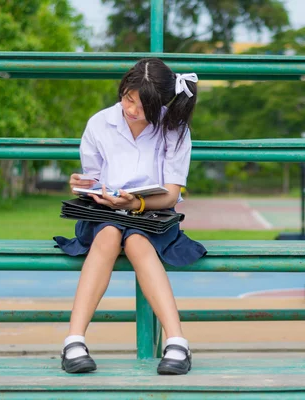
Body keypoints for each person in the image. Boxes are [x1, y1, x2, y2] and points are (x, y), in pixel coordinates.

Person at [53, 58, 207, 375]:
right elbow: (93, 180)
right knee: (109, 234)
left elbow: (171, 193)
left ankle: (177, 342)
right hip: (104, 215)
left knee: (136, 241)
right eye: (128, 98)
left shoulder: (175, 129)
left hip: (150, 218)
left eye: (142, 106)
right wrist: (84, 185)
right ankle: (74, 341)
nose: (132, 110)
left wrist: (135, 203)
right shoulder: (100, 123)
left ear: (160, 104)